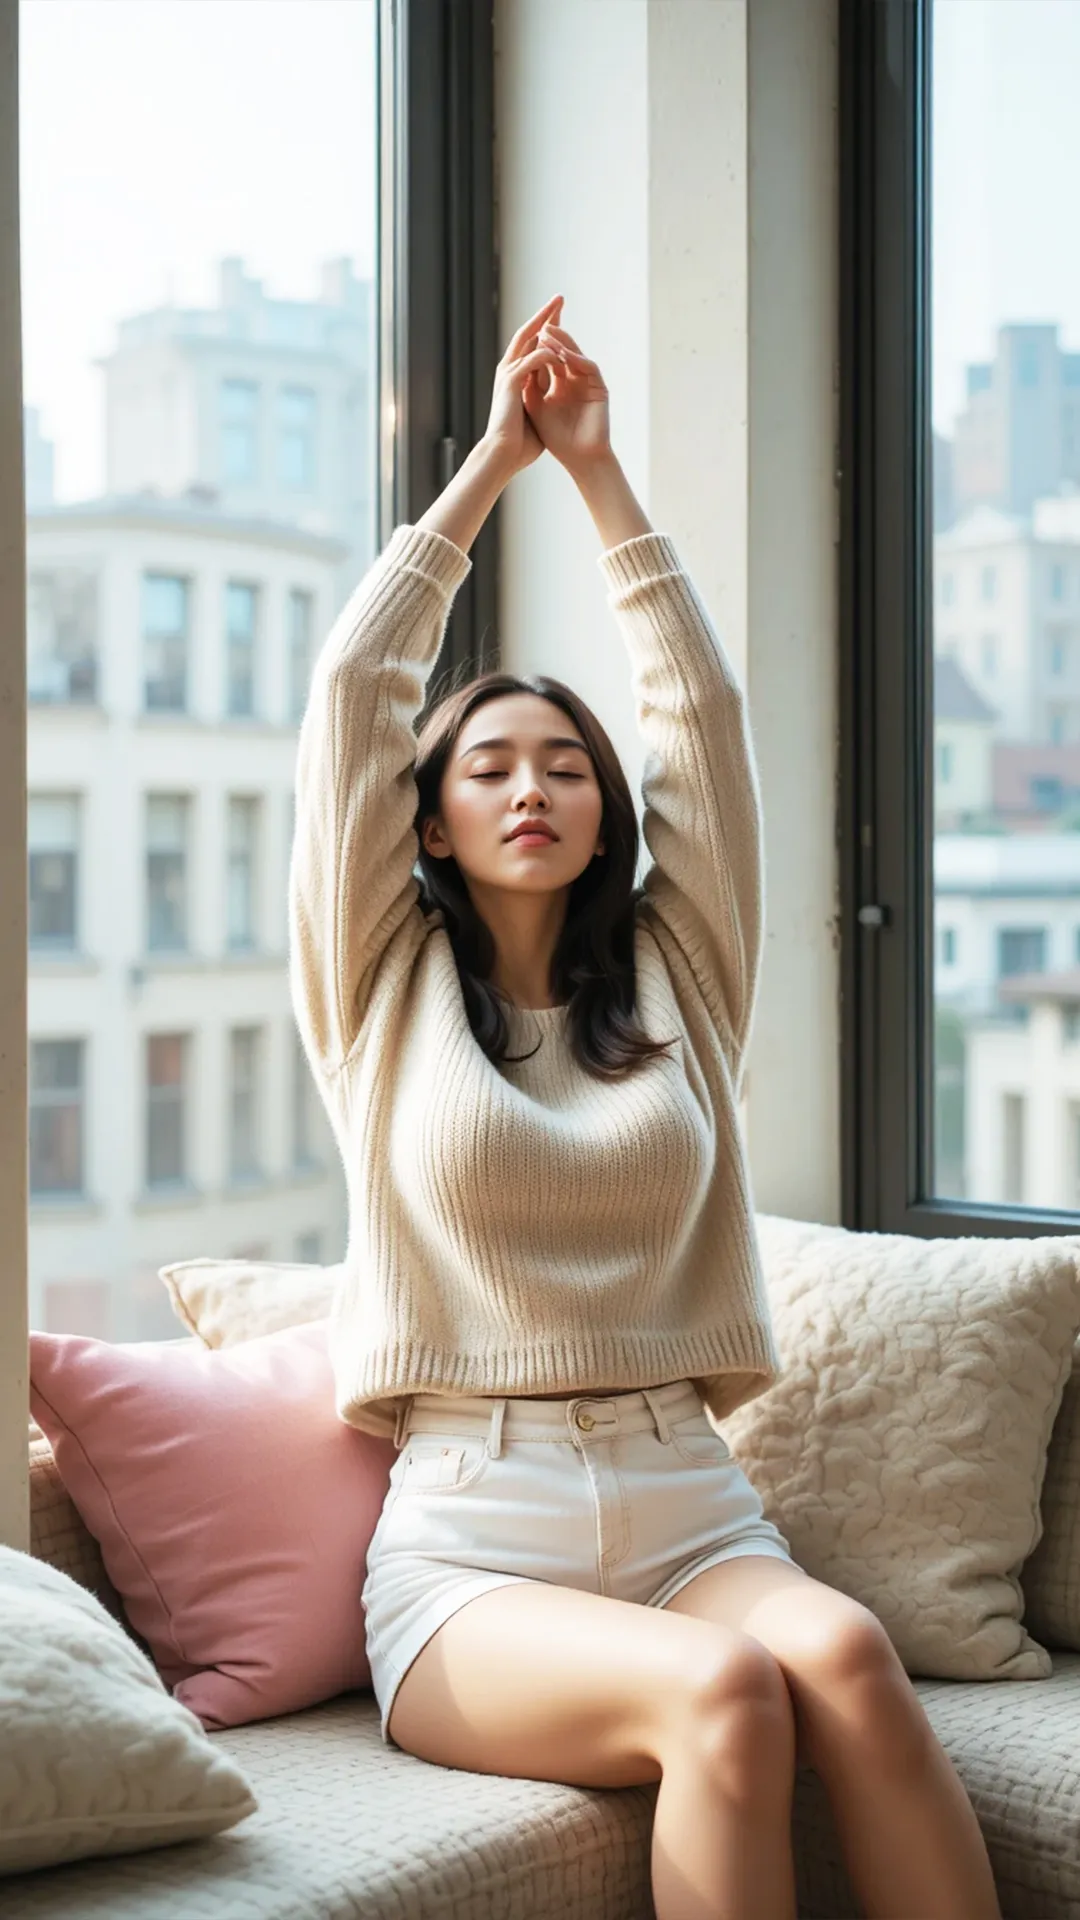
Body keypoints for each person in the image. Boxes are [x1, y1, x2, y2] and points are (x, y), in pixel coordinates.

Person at [288, 294, 1002, 1920]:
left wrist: (602, 478)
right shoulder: (377, 991)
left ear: (607, 814)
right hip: (476, 1538)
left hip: (693, 1501)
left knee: (851, 1663)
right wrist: (496, 463)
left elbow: (703, 721)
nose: (531, 786)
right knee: (727, 1694)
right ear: (429, 823)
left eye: (565, 764)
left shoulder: (683, 976)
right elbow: (353, 695)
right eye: (488, 766)